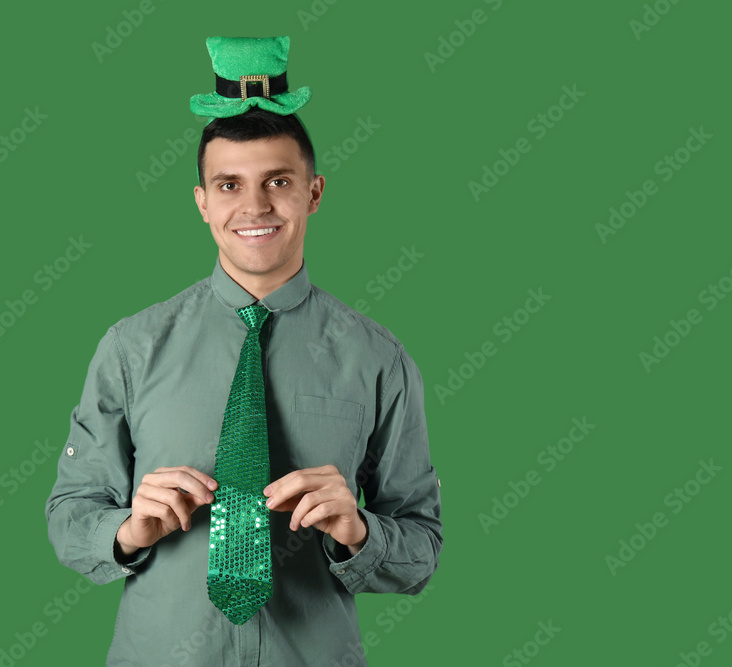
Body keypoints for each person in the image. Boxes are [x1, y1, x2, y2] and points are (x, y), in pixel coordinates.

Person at [45, 36, 443, 666]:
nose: (254, 206)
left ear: (313, 193)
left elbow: (421, 548)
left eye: (277, 181)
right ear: (202, 202)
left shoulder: (378, 360)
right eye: (229, 184)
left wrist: (358, 531)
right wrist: (127, 531)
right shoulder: (131, 348)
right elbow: (70, 516)